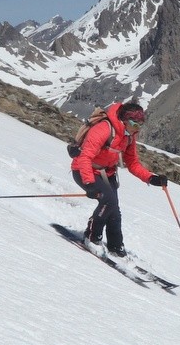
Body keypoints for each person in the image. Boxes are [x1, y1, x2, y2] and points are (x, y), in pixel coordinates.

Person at [71, 101, 167, 257]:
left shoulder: (129, 137)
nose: (138, 128)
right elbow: (85, 156)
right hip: (83, 170)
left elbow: (133, 163)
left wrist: (151, 178)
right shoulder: (104, 129)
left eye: (140, 125)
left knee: (114, 210)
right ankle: (92, 235)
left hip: (107, 174)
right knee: (108, 200)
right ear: (125, 120)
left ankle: (115, 245)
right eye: (135, 124)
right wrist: (89, 183)